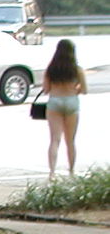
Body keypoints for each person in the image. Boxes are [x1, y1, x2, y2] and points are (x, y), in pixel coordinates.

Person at [43, 39, 87, 178]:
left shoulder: (51, 69)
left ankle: (52, 172)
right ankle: (71, 171)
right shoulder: (77, 69)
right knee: (70, 140)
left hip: (54, 102)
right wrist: (74, 90)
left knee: (55, 139)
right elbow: (85, 89)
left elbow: (46, 89)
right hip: (72, 101)